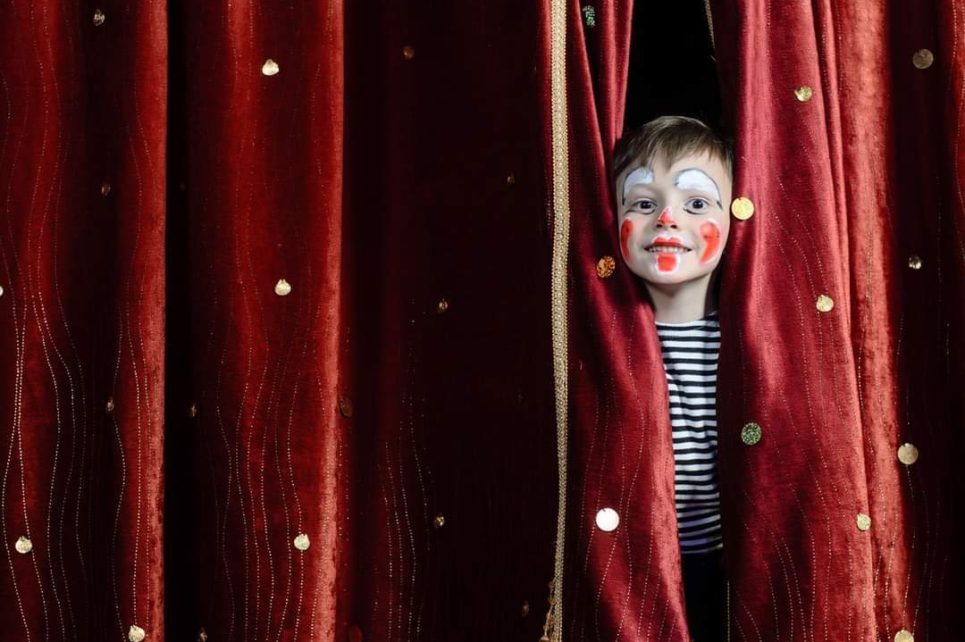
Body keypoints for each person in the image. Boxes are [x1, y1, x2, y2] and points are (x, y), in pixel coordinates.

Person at [611, 115, 734, 641]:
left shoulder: (754, 344)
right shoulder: (600, 340)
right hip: (629, 575)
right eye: (641, 203)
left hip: (723, 575)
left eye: (697, 203)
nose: (666, 217)